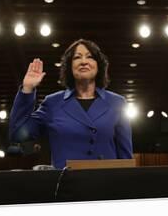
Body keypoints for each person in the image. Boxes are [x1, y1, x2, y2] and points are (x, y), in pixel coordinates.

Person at [9, 39, 133, 169]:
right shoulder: (52, 103)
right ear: (70, 66)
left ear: (98, 65)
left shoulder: (117, 103)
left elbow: (126, 157)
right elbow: (17, 134)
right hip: (66, 186)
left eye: (90, 57)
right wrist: (27, 89)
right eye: (77, 57)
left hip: (106, 185)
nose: (84, 61)